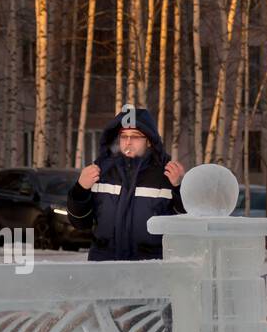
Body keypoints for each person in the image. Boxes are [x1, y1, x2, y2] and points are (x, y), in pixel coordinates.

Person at [68, 106, 185, 261]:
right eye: (123, 136)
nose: (128, 142)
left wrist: (178, 188)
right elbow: (80, 223)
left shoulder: (167, 175)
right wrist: (80, 189)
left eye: (135, 136)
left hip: (149, 268)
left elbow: (184, 224)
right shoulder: (100, 171)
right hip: (103, 266)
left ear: (149, 141)